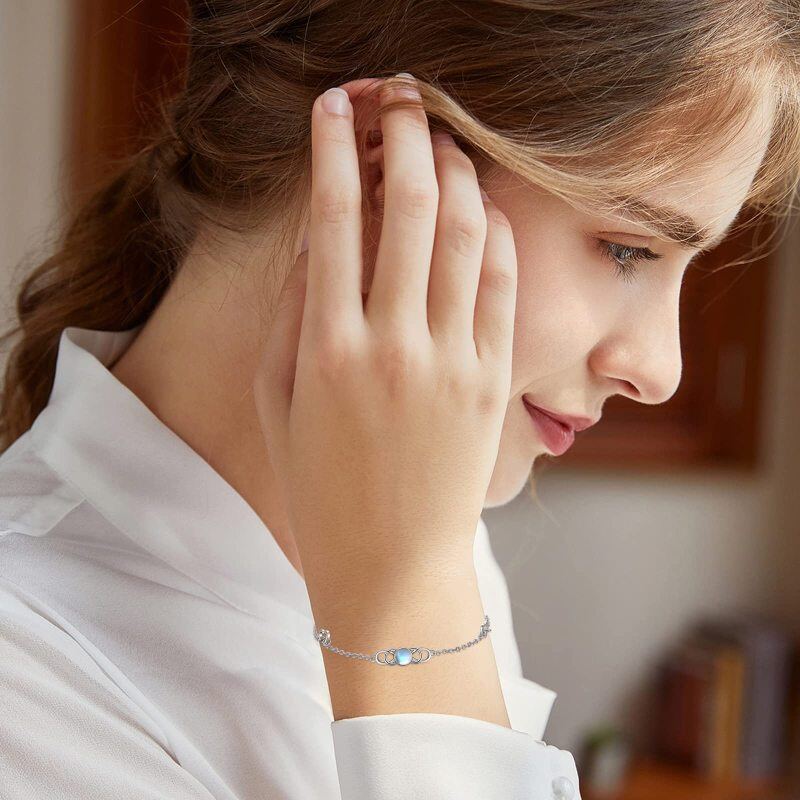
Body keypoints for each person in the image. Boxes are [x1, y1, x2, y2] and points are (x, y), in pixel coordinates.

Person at [1, 2, 799, 798]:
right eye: (627, 250)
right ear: (389, 165)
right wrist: (410, 615)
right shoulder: (27, 673)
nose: (660, 372)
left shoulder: (430, 534)